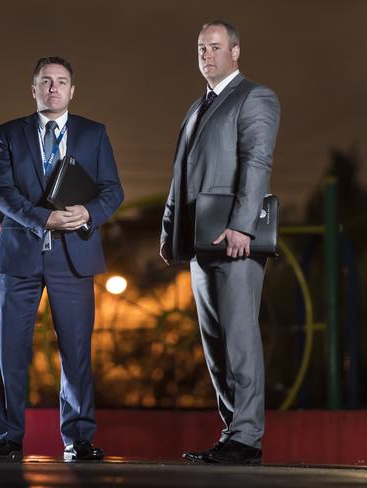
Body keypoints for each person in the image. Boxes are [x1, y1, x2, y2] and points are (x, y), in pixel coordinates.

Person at [0, 56, 124, 461]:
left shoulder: (94, 134)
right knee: (11, 351)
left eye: (61, 82)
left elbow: (113, 191)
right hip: (19, 256)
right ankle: (9, 438)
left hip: (74, 258)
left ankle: (78, 438)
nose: (53, 89)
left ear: (72, 90)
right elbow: (2, 192)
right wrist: (42, 217)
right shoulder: (6, 133)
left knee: (76, 351)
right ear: (33, 88)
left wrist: (89, 214)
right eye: (46, 81)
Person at [160, 21, 280, 465]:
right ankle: (234, 435)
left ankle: (247, 437)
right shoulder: (197, 107)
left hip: (234, 240)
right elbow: (180, 176)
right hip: (198, 243)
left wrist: (243, 227)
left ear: (236, 52)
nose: (206, 55)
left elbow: (257, 162)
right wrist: (169, 231)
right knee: (216, 345)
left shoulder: (256, 97)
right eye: (200, 48)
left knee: (240, 339)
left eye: (214, 47)